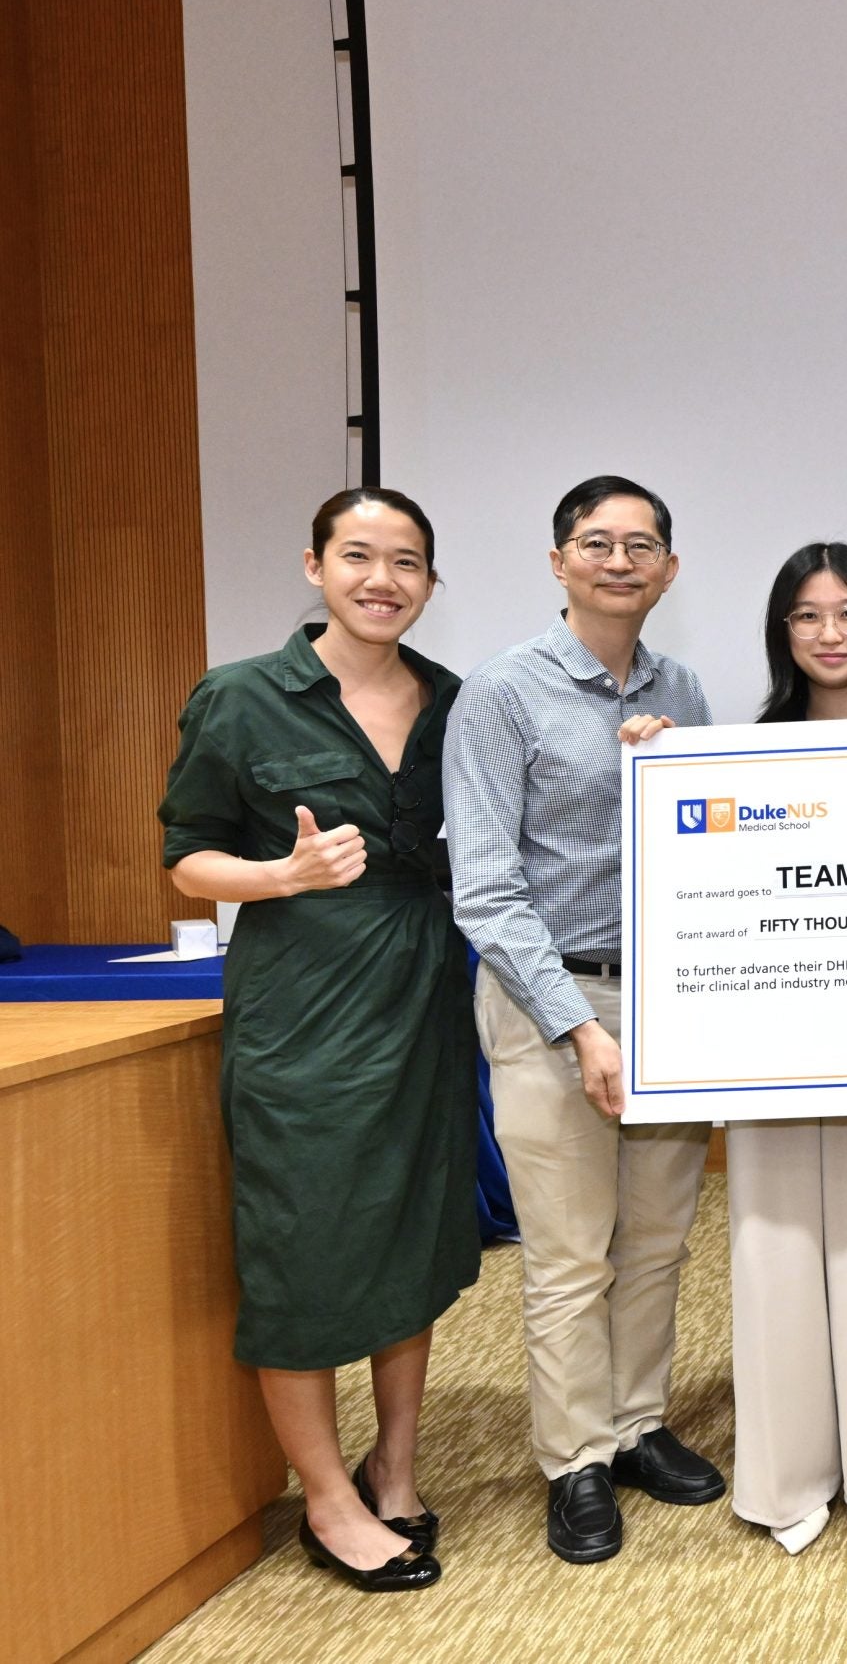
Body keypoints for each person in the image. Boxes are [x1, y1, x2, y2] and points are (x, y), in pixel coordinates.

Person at [159, 487, 481, 1592]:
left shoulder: (456, 702)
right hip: (304, 1002)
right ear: (314, 565)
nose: (382, 578)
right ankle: (327, 1502)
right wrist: (277, 876)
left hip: (426, 992)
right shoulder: (244, 698)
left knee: (413, 1226)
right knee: (301, 1239)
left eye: (406, 561)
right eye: (359, 555)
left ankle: (395, 1467)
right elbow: (186, 854)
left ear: (431, 583)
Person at [621, 543, 847, 1554]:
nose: (830, 633)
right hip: (770, 1041)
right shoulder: (739, 748)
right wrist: (659, 767)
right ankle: (790, 1475)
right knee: (773, 1250)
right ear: (782, 633)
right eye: (807, 616)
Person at [445, 475, 724, 1564]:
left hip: (668, 1000)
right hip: (545, 999)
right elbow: (485, 887)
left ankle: (635, 1425)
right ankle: (573, 1462)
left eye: (640, 545)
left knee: (655, 1238)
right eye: (596, 543)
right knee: (569, 1253)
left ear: (668, 569)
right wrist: (577, 1027)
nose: (619, 560)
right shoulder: (502, 694)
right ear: (558, 561)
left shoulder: (683, 689)